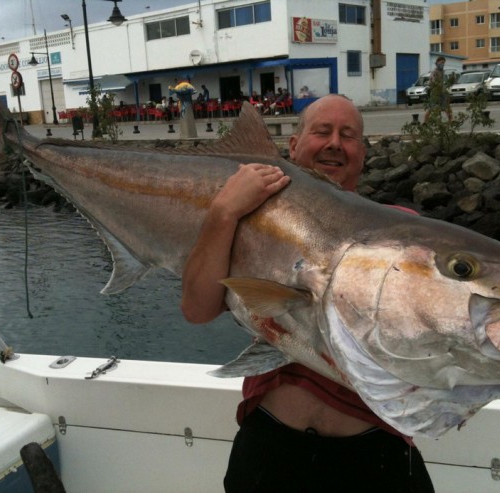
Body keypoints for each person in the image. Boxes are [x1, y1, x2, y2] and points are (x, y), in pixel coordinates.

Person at [181, 94, 435, 493]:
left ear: (362, 154)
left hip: (372, 456)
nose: (335, 142)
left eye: (348, 135)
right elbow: (197, 310)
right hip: (270, 447)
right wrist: (223, 212)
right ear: (294, 146)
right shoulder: (243, 217)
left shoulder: (401, 235)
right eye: (322, 131)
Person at [424, 56, 452, 123]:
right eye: (441, 62)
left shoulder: (442, 71)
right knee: (431, 108)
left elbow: (443, 82)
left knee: (447, 107)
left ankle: (451, 121)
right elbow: (434, 81)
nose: (443, 64)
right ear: (437, 62)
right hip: (435, 92)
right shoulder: (434, 72)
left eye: (443, 63)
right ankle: (425, 122)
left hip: (442, 91)